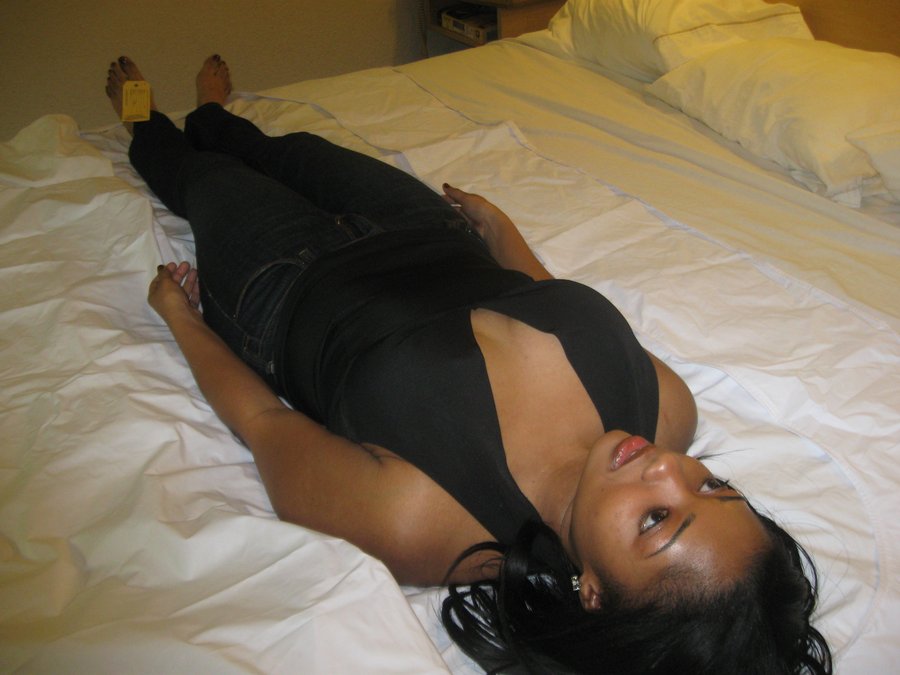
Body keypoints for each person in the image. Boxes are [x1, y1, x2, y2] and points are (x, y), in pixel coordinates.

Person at [106, 54, 832, 674]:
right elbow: (546, 301)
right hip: (430, 232)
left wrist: (180, 319)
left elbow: (264, 421)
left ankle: (145, 119)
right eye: (714, 485)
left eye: (657, 520)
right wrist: (503, 235)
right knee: (289, 149)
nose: (669, 468)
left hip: (287, 285)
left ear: (593, 593)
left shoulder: (423, 525)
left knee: (202, 177)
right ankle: (215, 112)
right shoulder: (669, 409)